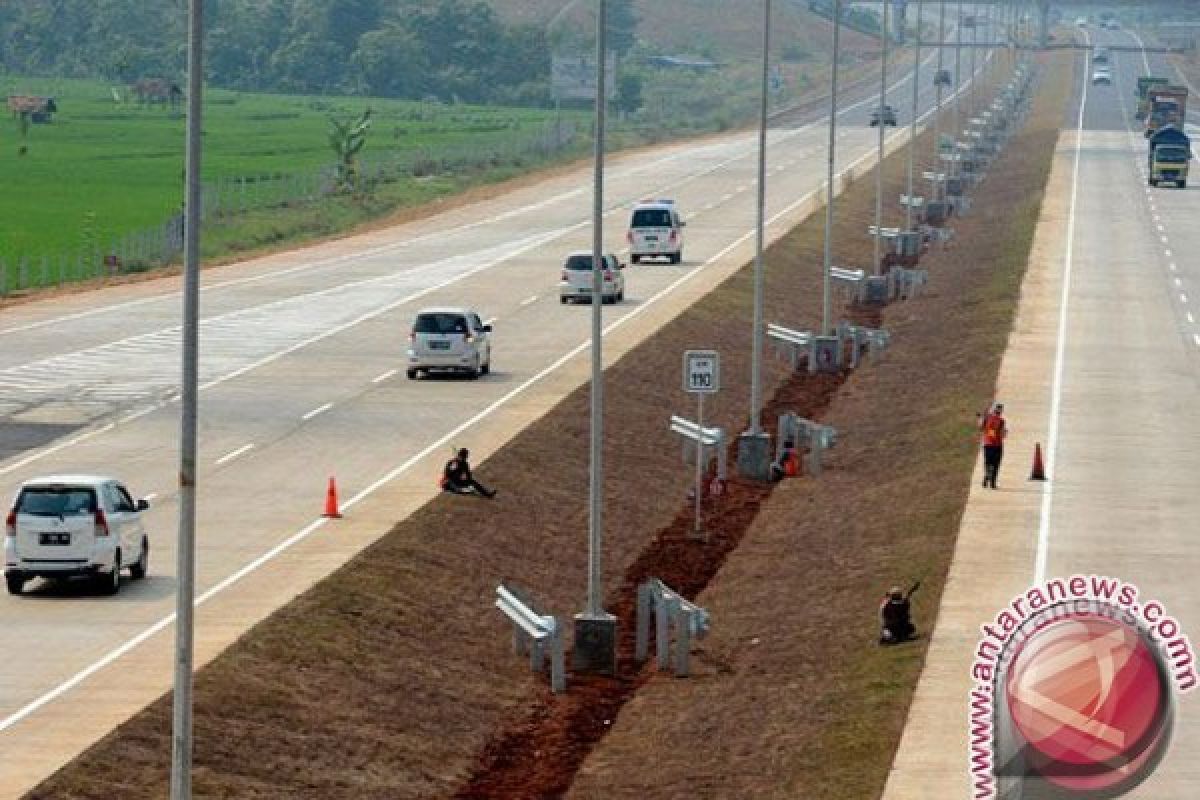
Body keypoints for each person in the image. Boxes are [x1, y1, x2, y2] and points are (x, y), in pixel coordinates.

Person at [978, 402, 1007, 489]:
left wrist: (980, 418)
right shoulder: (1001, 421)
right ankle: (992, 483)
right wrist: (1005, 432)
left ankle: (987, 476)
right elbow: (1003, 435)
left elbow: (980, 427)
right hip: (997, 445)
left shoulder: (987, 418)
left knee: (988, 463)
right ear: (1000, 411)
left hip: (988, 444)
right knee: (996, 464)